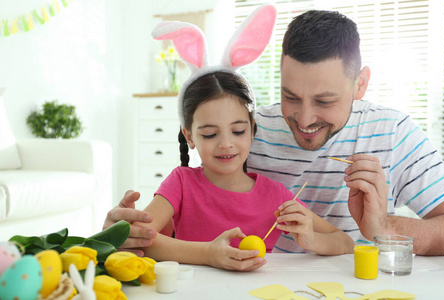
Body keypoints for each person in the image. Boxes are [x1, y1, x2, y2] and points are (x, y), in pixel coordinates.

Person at [105, 9, 444, 256]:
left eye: (325, 100)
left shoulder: (395, 132)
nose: (304, 118)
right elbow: (177, 216)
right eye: (290, 96)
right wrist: (124, 230)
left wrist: (384, 228)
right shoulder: (247, 129)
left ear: (360, 84)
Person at [126, 6, 354, 271]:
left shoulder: (275, 195)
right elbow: (140, 238)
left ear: (253, 130)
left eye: (238, 131)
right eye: (210, 134)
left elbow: (345, 242)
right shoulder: (181, 184)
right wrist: (208, 253)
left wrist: (311, 239)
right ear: (189, 136)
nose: (226, 144)